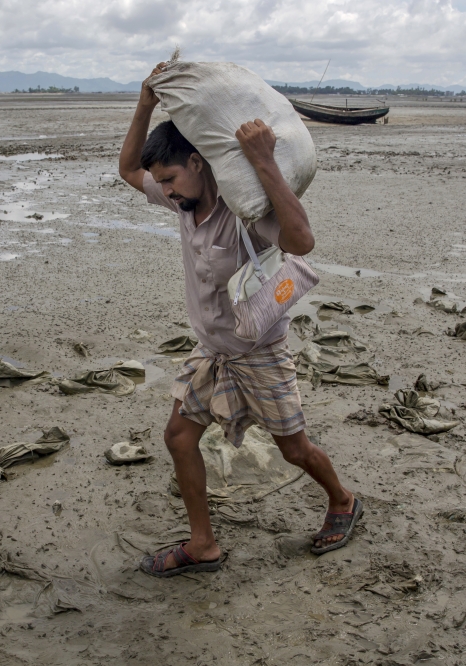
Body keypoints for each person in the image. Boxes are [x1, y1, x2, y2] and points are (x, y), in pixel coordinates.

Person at [118, 63, 360, 577]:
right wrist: (144, 103)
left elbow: (301, 242)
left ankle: (341, 500)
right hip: (211, 349)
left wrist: (264, 160)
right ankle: (202, 545)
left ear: (199, 163)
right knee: (178, 437)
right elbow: (127, 170)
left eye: (171, 179)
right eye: (161, 184)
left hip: (260, 350)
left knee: (293, 449)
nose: (165, 191)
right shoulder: (182, 205)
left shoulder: (242, 208)